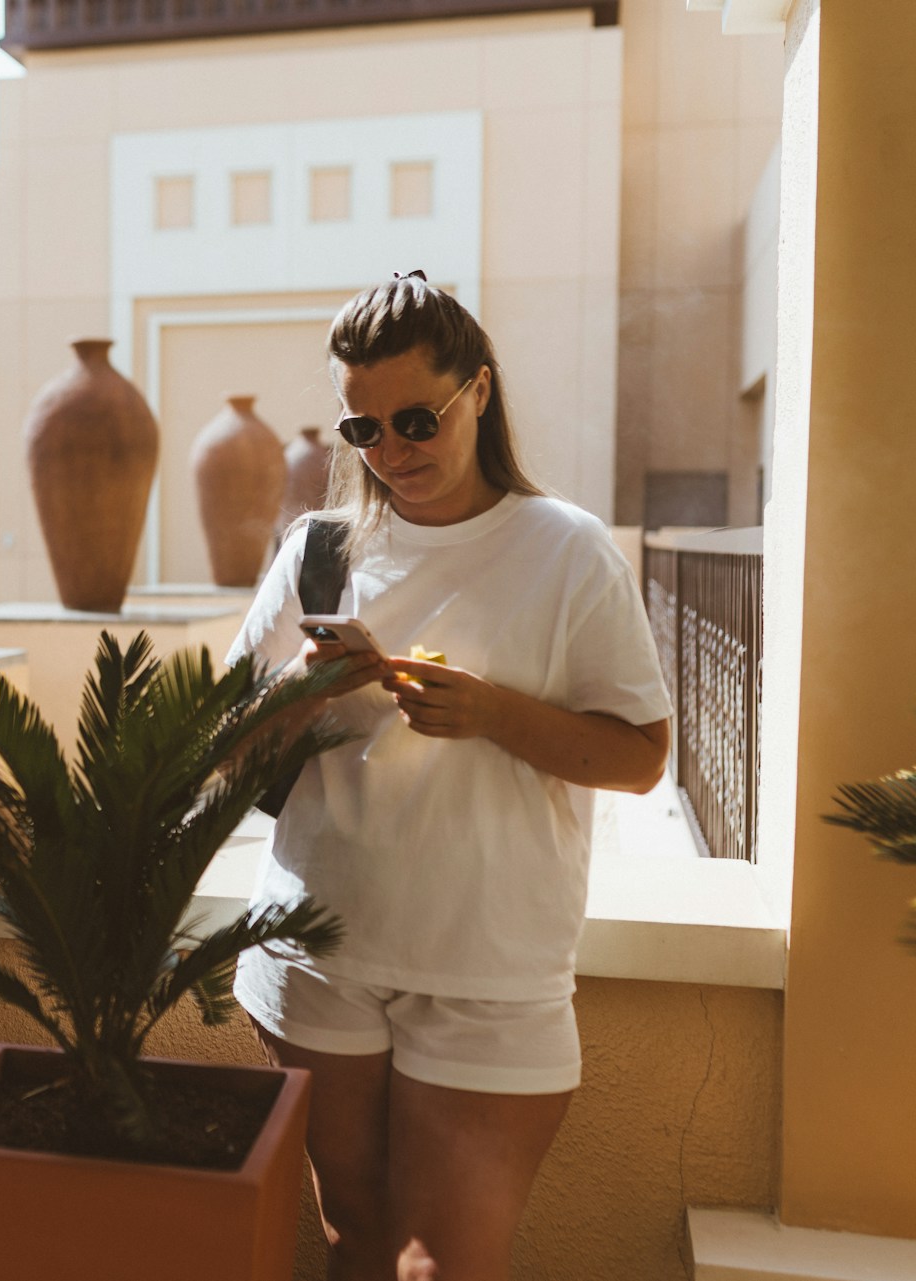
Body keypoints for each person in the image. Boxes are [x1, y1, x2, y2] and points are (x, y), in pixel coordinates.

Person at [229, 276, 672, 1281]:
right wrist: (298, 691)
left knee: (441, 1267)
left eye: (417, 419)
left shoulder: (564, 549)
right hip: (318, 958)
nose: (391, 452)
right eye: (364, 429)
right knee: (355, 1234)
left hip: (490, 972)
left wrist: (493, 715)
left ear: (480, 390)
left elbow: (643, 758)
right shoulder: (324, 552)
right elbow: (214, 745)